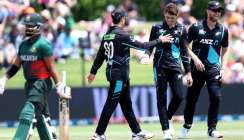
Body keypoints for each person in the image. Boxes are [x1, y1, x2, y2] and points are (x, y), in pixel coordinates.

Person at [87, 9, 172, 140]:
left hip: (115, 74)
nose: (126, 19)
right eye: (125, 18)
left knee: (127, 105)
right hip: (119, 76)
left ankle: (137, 132)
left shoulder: (107, 35)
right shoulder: (123, 35)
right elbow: (143, 45)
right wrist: (159, 40)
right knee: (110, 104)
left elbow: (100, 56)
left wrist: (93, 71)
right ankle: (99, 134)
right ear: (121, 19)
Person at [0, 13, 71, 140]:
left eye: (30, 26)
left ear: (39, 27)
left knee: (29, 110)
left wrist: (59, 85)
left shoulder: (43, 45)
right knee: (41, 117)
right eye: (26, 26)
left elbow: (52, 68)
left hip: (41, 83)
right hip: (30, 84)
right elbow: (16, 66)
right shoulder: (23, 45)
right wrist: (4, 79)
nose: (27, 28)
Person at [179, 1, 229, 139]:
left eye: (219, 11)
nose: (217, 13)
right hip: (196, 69)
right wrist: (195, 59)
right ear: (208, 11)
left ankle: (211, 129)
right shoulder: (196, 27)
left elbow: (225, 50)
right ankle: (187, 125)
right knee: (191, 99)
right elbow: (184, 46)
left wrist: (222, 67)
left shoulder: (224, 30)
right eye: (214, 10)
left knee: (216, 97)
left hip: (214, 69)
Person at [146, 3, 192, 140]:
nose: (169, 20)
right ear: (164, 15)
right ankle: (166, 130)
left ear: (177, 16)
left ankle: (168, 117)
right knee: (161, 99)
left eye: (172, 18)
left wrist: (188, 72)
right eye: (167, 17)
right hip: (159, 67)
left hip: (175, 67)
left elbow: (184, 51)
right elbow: (150, 46)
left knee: (179, 96)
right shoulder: (156, 28)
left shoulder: (182, 29)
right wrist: (145, 55)